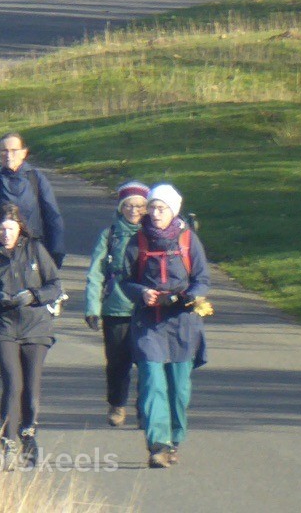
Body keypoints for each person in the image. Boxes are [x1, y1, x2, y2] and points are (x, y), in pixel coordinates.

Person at [120, 184, 210, 469]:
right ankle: (158, 444)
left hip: (183, 323)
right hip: (149, 323)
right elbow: (123, 279)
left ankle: (174, 438)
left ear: (174, 210)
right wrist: (141, 293)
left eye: (162, 208)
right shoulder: (138, 242)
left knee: (179, 388)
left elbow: (202, 278)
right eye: (153, 207)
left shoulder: (188, 240)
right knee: (152, 382)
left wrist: (191, 296)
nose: (156, 213)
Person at [0, 203, 63, 469]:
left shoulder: (36, 250)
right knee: (13, 383)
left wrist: (34, 295)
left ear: (20, 228)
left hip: (36, 326)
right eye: (1, 229)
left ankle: (28, 431)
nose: (6, 234)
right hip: (3, 328)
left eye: (10, 228)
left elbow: (55, 285)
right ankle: (9, 440)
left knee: (32, 387)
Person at [84, 181, 150, 428]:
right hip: (116, 309)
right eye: (129, 205)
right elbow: (95, 273)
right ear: (121, 208)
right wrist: (92, 307)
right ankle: (117, 404)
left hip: (148, 308)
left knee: (148, 362)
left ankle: (145, 408)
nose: (134, 211)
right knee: (117, 362)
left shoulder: (152, 234)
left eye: (140, 206)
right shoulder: (109, 235)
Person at [0, 132, 65, 268]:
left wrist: (56, 252)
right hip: (3, 253)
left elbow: (52, 217)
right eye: (4, 151)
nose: (8, 155)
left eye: (14, 150)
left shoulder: (36, 179)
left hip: (32, 251)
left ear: (24, 153)